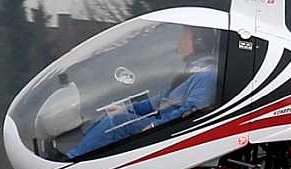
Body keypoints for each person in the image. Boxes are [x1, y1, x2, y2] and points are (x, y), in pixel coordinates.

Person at [66, 26, 218, 159]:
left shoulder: (207, 73)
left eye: (184, 37)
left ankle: (72, 160)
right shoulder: (194, 69)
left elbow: (192, 112)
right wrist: (127, 108)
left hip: (168, 132)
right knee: (113, 114)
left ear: (199, 42)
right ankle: (76, 151)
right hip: (162, 125)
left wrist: (155, 125)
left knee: (117, 121)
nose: (179, 41)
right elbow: (159, 101)